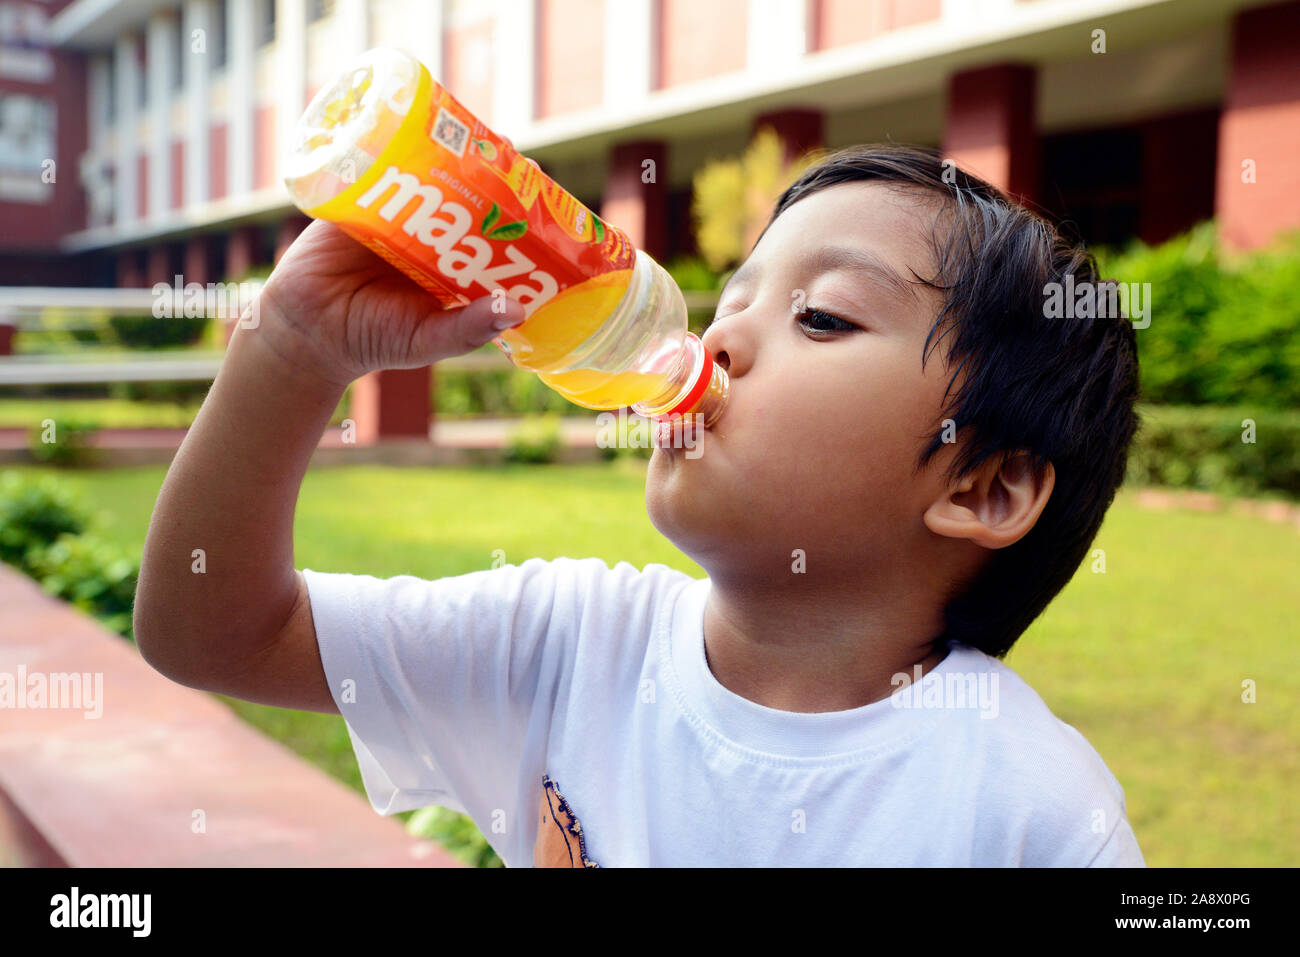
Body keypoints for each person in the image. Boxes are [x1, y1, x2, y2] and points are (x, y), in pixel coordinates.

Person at [134, 144, 1145, 867]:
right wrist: (289, 353)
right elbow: (214, 633)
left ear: (983, 486)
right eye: (728, 302)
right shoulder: (568, 642)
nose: (717, 345)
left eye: (823, 316)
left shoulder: (1028, 809)